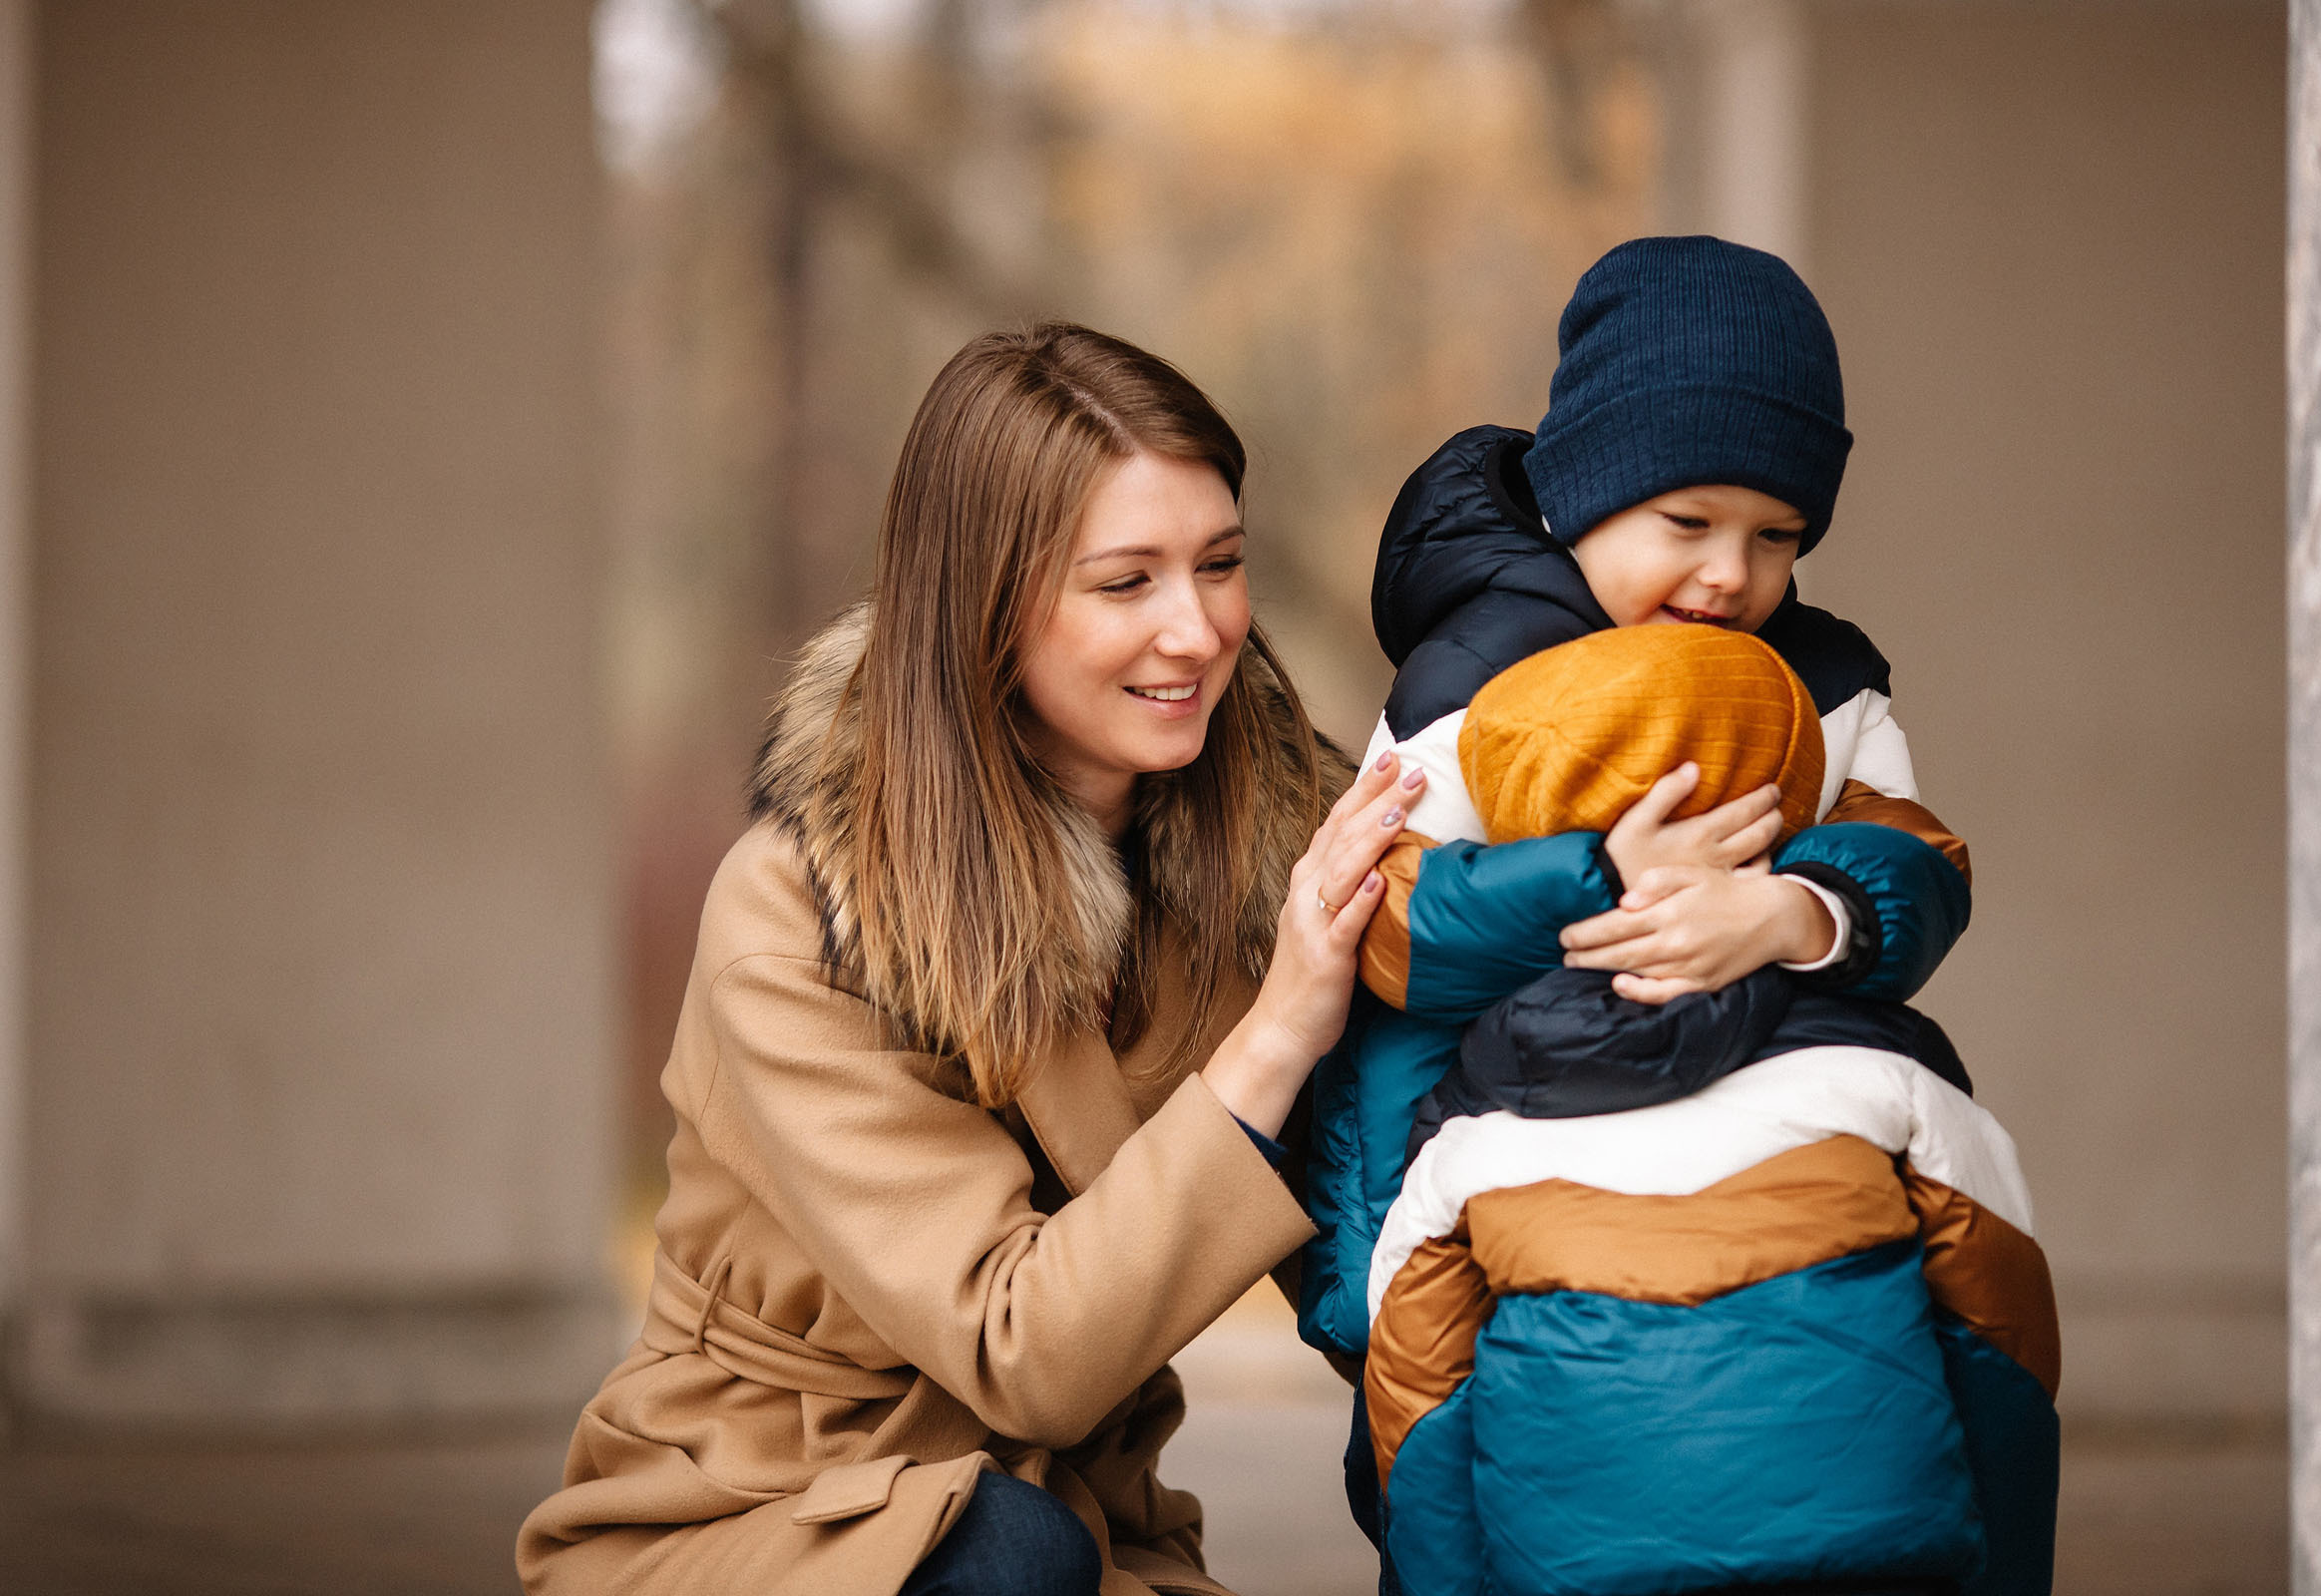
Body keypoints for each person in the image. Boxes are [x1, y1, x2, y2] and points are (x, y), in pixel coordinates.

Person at [516, 322, 1430, 1596]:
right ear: (990, 606)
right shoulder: (799, 915)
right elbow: (1025, 1351)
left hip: (1090, 1520)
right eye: (1127, 583)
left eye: (1220, 563)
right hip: (767, 1512)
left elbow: (1397, 1215)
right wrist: (1276, 1033)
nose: (1199, 630)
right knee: (1005, 1558)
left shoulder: (1273, 853)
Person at [1296, 237, 1991, 1587]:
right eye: (1687, 521)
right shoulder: (1472, 672)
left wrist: (1797, 911)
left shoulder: (1822, 684)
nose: (1732, 572)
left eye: (1777, 534)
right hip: (1462, 1124)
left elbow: (1922, 860)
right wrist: (1592, 879)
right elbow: (1384, 923)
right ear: (1579, 495)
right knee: (1453, 1456)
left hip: (1733, 1125)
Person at [1357, 621, 2060, 1596]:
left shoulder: (1473, 1131)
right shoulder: (1882, 1079)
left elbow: (1418, 1411)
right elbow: (2005, 1339)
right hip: (1869, 1546)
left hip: (1568, 1561)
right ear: (1798, 800)